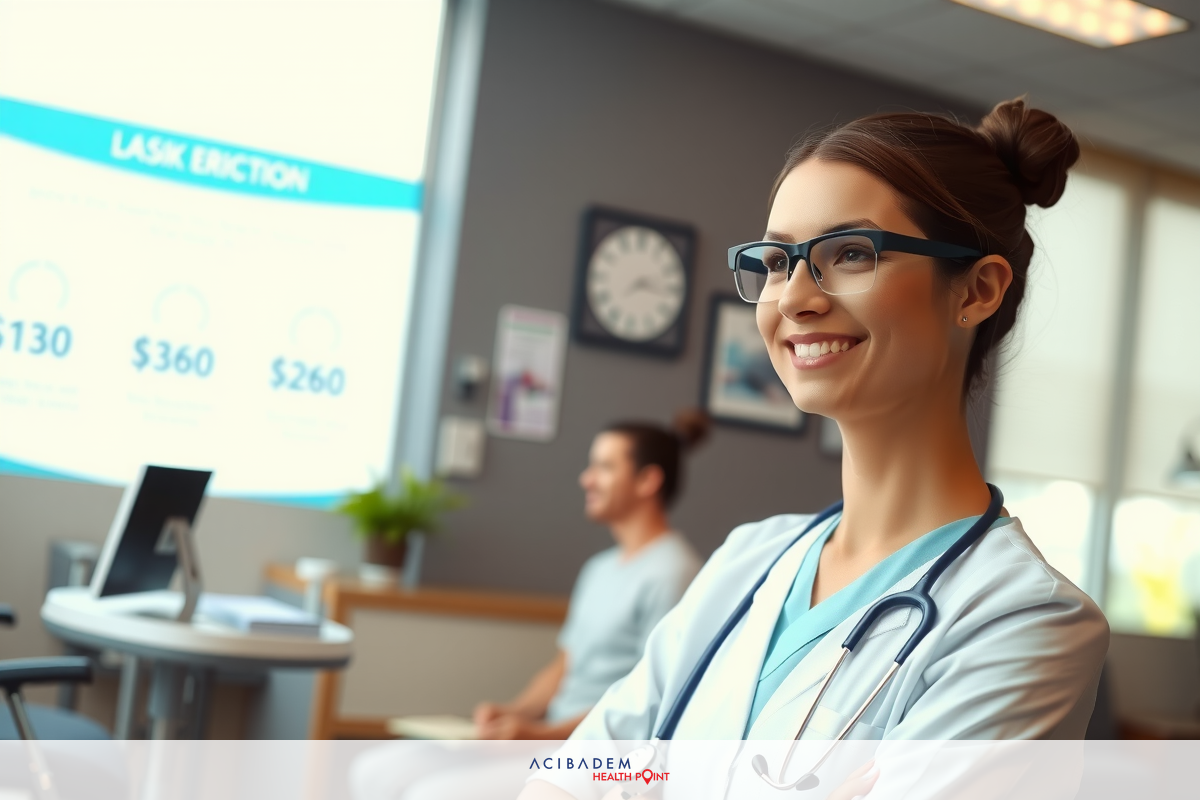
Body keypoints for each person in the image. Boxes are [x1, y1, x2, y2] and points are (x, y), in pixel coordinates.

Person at [521, 99, 1110, 799]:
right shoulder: (748, 562)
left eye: (851, 253)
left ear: (977, 290)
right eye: (777, 261)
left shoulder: (1024, 622)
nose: (794, 297)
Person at [350, 411, 708, 800]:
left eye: (604, 467)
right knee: (374, 771)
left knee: (432, 794)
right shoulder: (600, 569)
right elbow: (565, 664)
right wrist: (514, 713)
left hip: (603, 757)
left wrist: (539, 735)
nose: (586, 479)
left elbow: (652, 701)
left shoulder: (675, 573)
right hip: (552, 738)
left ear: (647, 481)